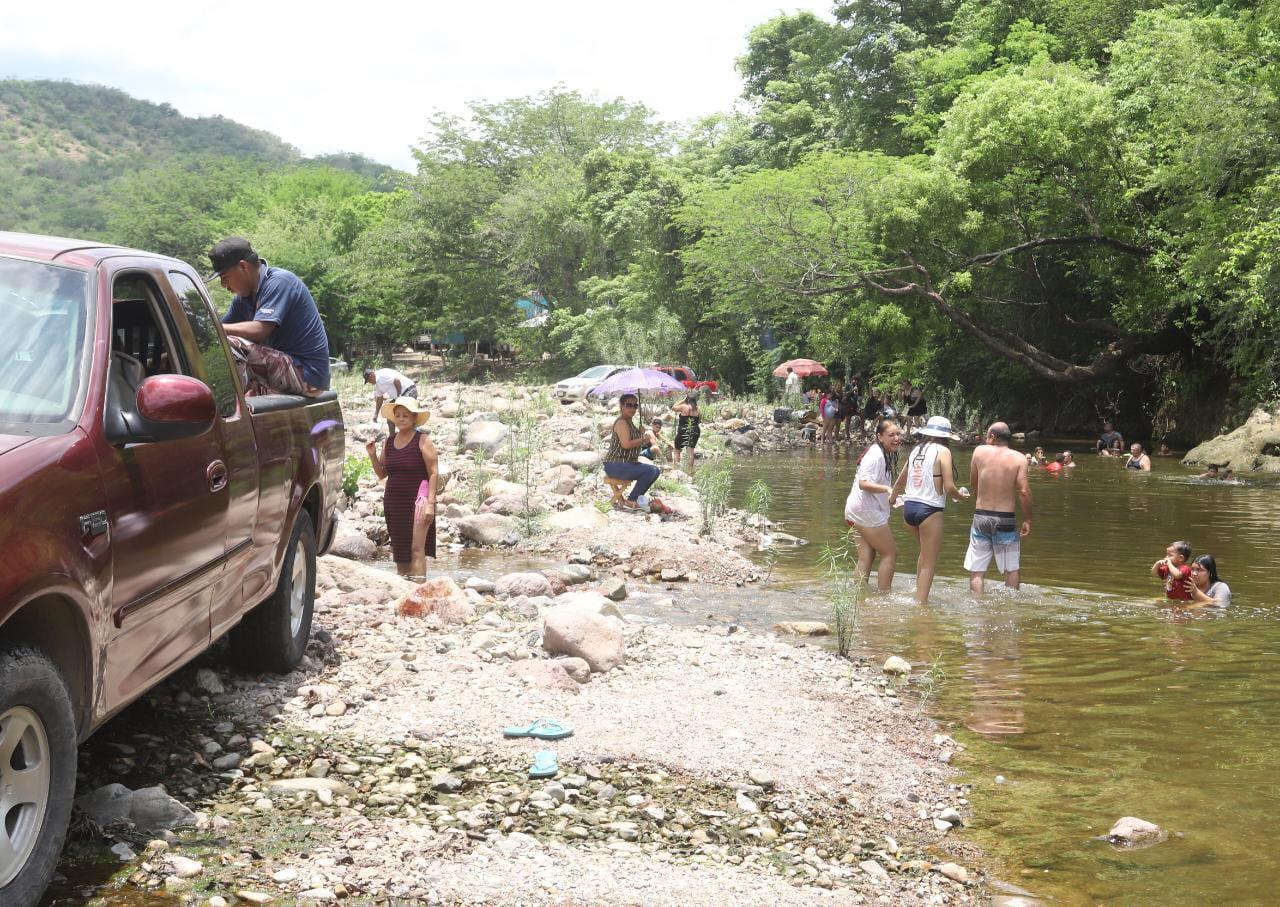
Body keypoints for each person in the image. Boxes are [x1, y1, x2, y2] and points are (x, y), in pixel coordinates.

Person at [209, 237, 330, 396]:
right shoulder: (243, 299)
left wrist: (216, 328)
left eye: (224, 277)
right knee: (217, 344)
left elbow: (260, 329)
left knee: (232, 344)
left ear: (243, 267)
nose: (224, 286)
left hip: (306, 374)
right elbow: (216, 334)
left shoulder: (279, 282)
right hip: (282, 369)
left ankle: (230, 407)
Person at [889, 416, 969, 604]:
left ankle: (918, 593)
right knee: (929, 562)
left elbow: (901, 480)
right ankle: (921, 606)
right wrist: (960, 496)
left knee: (924, 554)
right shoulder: (944, 451)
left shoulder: (916, 449)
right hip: (930, 510)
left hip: (909, 509)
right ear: (946, 436)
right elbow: (949, 487)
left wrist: (892, 499)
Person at [365, 397, 437, 579]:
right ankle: (405, 590)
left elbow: (434, 473)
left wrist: (431, 504)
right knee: (400, 548)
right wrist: (372, 455)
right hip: (394, 502)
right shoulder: (388, 443)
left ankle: (419, 591)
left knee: (416, 547)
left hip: (419, 500)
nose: (401, 419)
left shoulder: (423, 440)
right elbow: (382, 474)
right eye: (398, 416)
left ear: (414, 418)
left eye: (406, 415)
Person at [965, 422, 1032, 593]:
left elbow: (973, 482)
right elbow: (1023, 491)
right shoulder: (1019, 458)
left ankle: (977, 611)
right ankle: (1010, 609)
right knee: (1012, 569)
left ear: (993, 437)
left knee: (977, 571)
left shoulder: (979, 452)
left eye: (987, 435)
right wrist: (1028, 519)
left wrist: (979, 500)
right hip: (1006, 519)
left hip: (981, 517)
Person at [844, 418, 903, 592]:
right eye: (891, 435)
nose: (896, 438)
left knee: (866, 557)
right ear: (879, 437)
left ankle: (857, 597)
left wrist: (892, 498)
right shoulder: (876, 454)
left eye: (898, 434)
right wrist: (887, 489)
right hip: (865, 511)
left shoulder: (882, 453)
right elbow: (863, 483)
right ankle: (884, 596)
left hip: (855, 510)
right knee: (890, 553)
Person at [604, 394, 660, 509]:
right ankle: (632, 499)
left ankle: (634, 498)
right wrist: (643, 438)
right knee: (651, 470)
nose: (632, 409)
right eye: (629, 405)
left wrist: (640, 433)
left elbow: (635, 443)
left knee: (654, 470)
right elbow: (626, 444)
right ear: (621, 406)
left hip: (626, 463)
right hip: (616, 464)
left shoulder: (630, 423)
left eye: (635, 406)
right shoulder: (621, 422)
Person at [365, 366, 417, 433]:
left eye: (369, 381)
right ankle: (392, 438)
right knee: (390, 417)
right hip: (400, 396)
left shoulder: (382, 374)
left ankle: (412, 434)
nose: (370, 383)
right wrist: (376, 414)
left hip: (409, 390)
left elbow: (396, 380)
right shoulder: (378, 385)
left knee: (405, 415)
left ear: (371, 376)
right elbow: (379, 398)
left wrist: (399, 397)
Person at [672, 393, 702, 474]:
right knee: (691, 451)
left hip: (683, 430)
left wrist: (683, 400)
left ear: (687, 399)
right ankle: (690, 471)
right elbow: (699, 421)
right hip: (695, 430)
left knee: (677, 450)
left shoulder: (683, 406)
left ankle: (676, 470)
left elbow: (673, 407)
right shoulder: (698, 409)